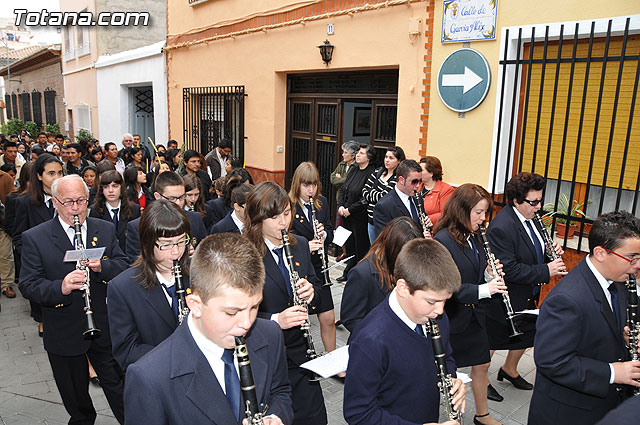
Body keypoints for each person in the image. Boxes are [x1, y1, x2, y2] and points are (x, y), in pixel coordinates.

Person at [123, 233, 293, 425]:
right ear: (195, 304)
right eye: (231, 312)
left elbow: (280, 392)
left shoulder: (271, 335)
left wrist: (275, 417)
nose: (246, 323)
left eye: (254, 307)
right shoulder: (150, 378)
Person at [18, 174, 128, 424]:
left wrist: (103, 268)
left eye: (81, 200)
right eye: (68, 202)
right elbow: (28, 285)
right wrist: (62, 287)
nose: (76, 208)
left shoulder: (105, 228)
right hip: (64, 331)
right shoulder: (36, 237)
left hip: (104, 325)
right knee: (77, 402)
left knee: (120, 389)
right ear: (54, 202)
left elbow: (123, 265)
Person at [527, 211, 640, 425]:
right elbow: (551, 362)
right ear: (600, 253)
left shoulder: (619, 281)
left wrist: (625, 339)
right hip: (570, 413)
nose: (638, 266)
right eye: (632, 258)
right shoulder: (567, 299)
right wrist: (611, 372)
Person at [343, 238, 465, 425]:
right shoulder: (371, 340)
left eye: (445, 301)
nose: (440, 310)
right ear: (403, 288)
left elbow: (447, 357)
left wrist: (453, 379)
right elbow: (359, 413)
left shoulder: (434, 315)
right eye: (432, 301)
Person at [245, 181, 327, 425]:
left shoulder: (299, 244)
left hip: (302, 357)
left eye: (287, 213)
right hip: (265, 360)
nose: (284, 222)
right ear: (258, 218)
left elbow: (318, 289)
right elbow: (233, 313)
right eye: (275, 217)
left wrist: (312, 291)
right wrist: (274, 321)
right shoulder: (245, 253)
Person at [433, 184, 508, 425]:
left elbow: (475, 273)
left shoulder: (476, 235)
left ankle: (482, 415)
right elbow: (447, 287)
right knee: (446, 374)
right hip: (452, 317)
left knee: (482, 363)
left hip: (475, 314)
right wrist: (485, 289)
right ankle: (437, 417)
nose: (482, 218)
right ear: (461, 210)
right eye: (478, 212)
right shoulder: (443, 240)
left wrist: (488, 274)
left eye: (485, 212)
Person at [486, 172, 566, 391]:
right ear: (516, 201)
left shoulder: (533, 219)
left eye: (540, 200)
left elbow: (535, 250)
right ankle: (481, 380)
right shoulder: (502, 227)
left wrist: (551, 253)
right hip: (505, 296)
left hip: (528, 293)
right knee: (494, 340)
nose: (538, 206)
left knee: (526, 334)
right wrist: (546, 270)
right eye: (534, 202)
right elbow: (509, 269)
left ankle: (509, 369)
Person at [107, 200, 190, 371]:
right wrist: (176, 355)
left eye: (181, 241)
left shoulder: (201, 273)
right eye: (166, 244)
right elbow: (127, 351)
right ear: (147, 243)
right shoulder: (123, 288)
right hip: (158, 378)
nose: (176, 251)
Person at [340, 216, 423, 334]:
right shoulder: (362, 273)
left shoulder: (406, 265)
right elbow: (350, 318)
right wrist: (381, 337)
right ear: (393, 248)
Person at [288, 162, 337, 355]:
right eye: (306, 185)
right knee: (302, 322)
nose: (311, 190)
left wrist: (324, 235)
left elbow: (331, 231)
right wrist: (303, 247)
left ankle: (332, 358)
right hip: (300, 270)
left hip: (319, 269)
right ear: (297, 185)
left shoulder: (322, 203)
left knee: (329, 319)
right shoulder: (288, 206)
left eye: (314, 185)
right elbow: (283, 237)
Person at [14, 154, 64, 334]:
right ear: (39, 176)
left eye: (60, 173)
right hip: (41, 264)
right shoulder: (25, 203)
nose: (57, 178)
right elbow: (19, 237)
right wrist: (31, 258)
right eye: (51, 173)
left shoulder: (69, 201)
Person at [125, 171, 207, 263]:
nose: (178, 203)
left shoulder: (195, 219)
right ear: (157, 196)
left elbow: (206, 253)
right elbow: (134, 264)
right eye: (171, 199)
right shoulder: (137, 227)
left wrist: (194, 256)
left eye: (181, 197)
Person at [336, 144, 375, 281]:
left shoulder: (371, 173)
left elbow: (365, 198)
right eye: (358, 153)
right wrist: (340, 205)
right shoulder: (354, 170)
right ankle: (348, 272)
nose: (358, 155)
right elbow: (343, 189)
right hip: (346, 214)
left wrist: (349, 210)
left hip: (359, 217)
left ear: (369, 158)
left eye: (362, 153)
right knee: (349, 245)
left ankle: (358, 276)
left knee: (360, 247)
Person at [90, 170, 141, 253]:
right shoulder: (95, 210)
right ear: (101, 189)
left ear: (121, 187)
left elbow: (137, 240)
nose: (110, 190)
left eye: (115, 186)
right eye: (106, 187)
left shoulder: (134, 209)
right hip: (108, 260)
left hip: (129, 258)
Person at [373, 159, 425, 239]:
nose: (418, 185)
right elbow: (384, 240)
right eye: (414, 182)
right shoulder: (384, 206)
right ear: (401, 180)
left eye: (420, 181)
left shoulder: (417, 198)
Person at [362, 146, 405, 243]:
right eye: (386, 157)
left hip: (384, 222)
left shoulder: (397, 178)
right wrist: (375, 194)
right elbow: (364, 191)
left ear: (399, 161)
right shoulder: (378, 172)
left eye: (391, 158)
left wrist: (372, 192)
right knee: (373, 249)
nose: (387, 160)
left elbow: (383, 198)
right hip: (371, 220)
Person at [419, 156, 455, 227]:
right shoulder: (417, 186)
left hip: (434, 229)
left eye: (421, 170)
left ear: (431, 173)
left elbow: (446, 214)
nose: (418, 172)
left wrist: (428, 219)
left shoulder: (446, 189)